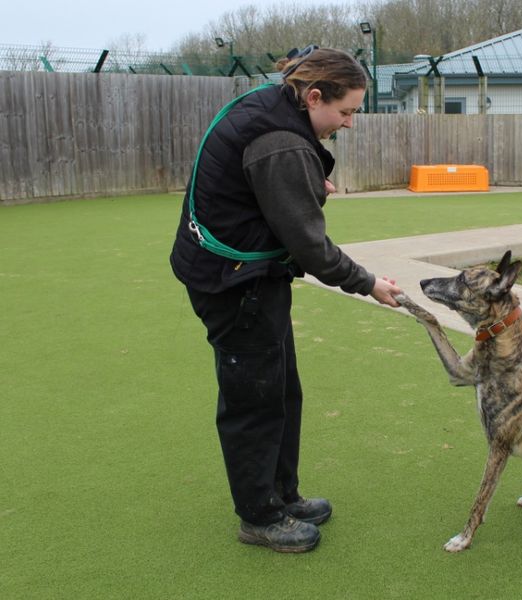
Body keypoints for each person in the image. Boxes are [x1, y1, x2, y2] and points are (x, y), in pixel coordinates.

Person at [170, 46, 403, 553]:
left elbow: (260, 177)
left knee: (281, 390)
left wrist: (303, 181)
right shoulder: (281, 143)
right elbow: (311, 247)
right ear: (313, 95)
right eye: (345, 112)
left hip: (253, 275)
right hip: (233, 283)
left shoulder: (275, 108)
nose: (349, 123)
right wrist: (368, 283)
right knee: (254, 400)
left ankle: (282, 496)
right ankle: (259, 517)